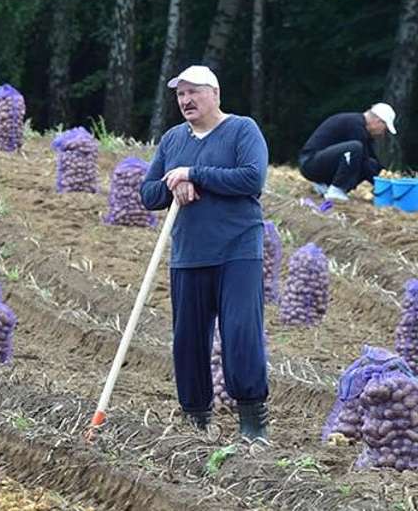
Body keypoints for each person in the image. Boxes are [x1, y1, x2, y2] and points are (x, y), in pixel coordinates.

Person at [140, 65, 269, 440]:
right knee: (188, 338)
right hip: (189, 253)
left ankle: (252, 421)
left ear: (214, 92)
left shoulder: (242, 130)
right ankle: (195, 419)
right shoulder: (172, 139)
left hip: (237, 250)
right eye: (180, 94)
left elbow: (251, 178)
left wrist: (194, 173)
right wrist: (174, 181)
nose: (185, 100)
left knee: (240, 331)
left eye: (193, 91)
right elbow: (149, 195)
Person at [298, 103, 396, 202]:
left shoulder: (361, 128)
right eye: (385, 128)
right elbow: (364, 162)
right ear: (378, 121)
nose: (383, 133)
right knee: (355, 148)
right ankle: (336, 190)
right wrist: (382, 183)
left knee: (367, 160)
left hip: (322, 163)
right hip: (310, 163)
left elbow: (370, 160)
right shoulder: (355, 125)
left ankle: (325, 185)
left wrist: (386, 178)